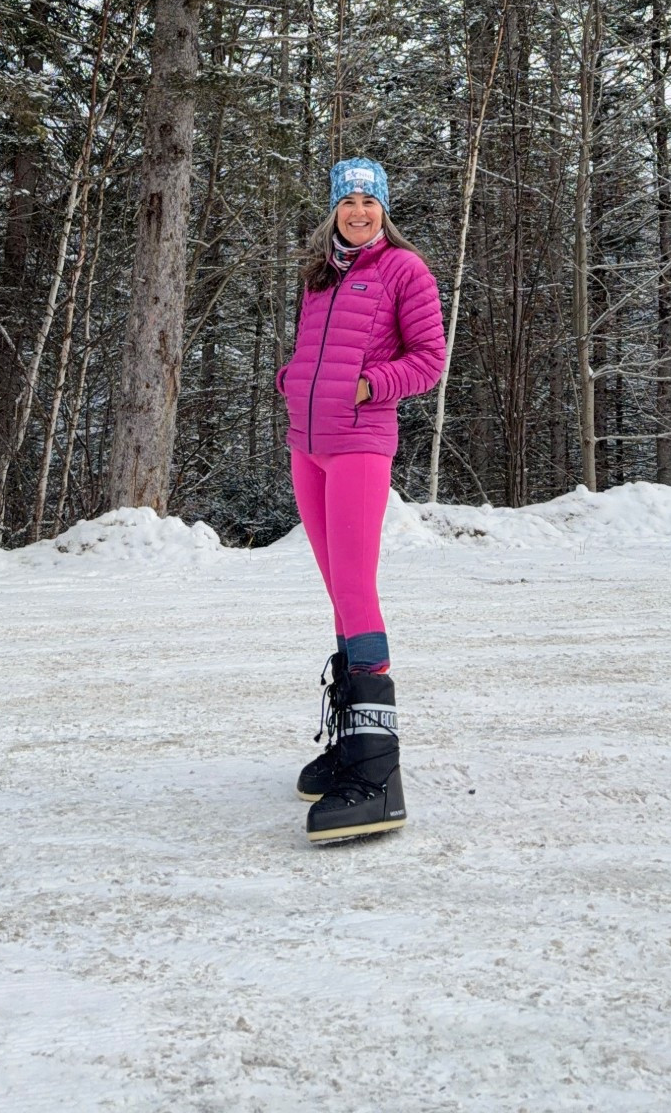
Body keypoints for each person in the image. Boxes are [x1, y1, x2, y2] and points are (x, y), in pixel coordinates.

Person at [276, 156, 446, 842]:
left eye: (368, 202)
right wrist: (292, 378)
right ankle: (352, 742)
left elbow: (429, 360)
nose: (358, 212)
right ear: (333, 209)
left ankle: (377, 774)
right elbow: (310, 351)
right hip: (307, 444)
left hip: (360, 443)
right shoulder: (319, 274)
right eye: (347, 201)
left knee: (356, 587)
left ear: (383, 209)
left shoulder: (405, 270)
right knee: (337, 592)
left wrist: (369, 385)